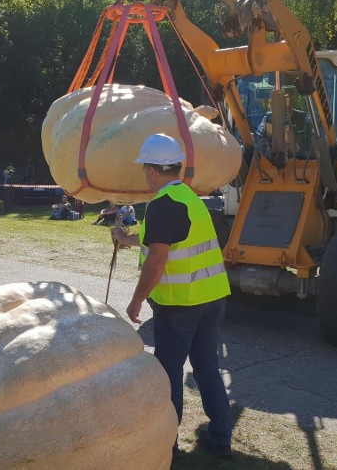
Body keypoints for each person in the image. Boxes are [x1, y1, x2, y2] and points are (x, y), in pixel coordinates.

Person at [111, 134, 232, 457]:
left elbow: (158, 260)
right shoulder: (189, 199)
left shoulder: (162, 205)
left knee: (168, 374)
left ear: (152, 170)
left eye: (144, 169)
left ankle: (168, 444)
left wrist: (137, 299)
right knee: (207, 368)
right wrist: (126, 239)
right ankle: (220, 438)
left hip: (179, 305)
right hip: (211, 299)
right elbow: (166, 240)